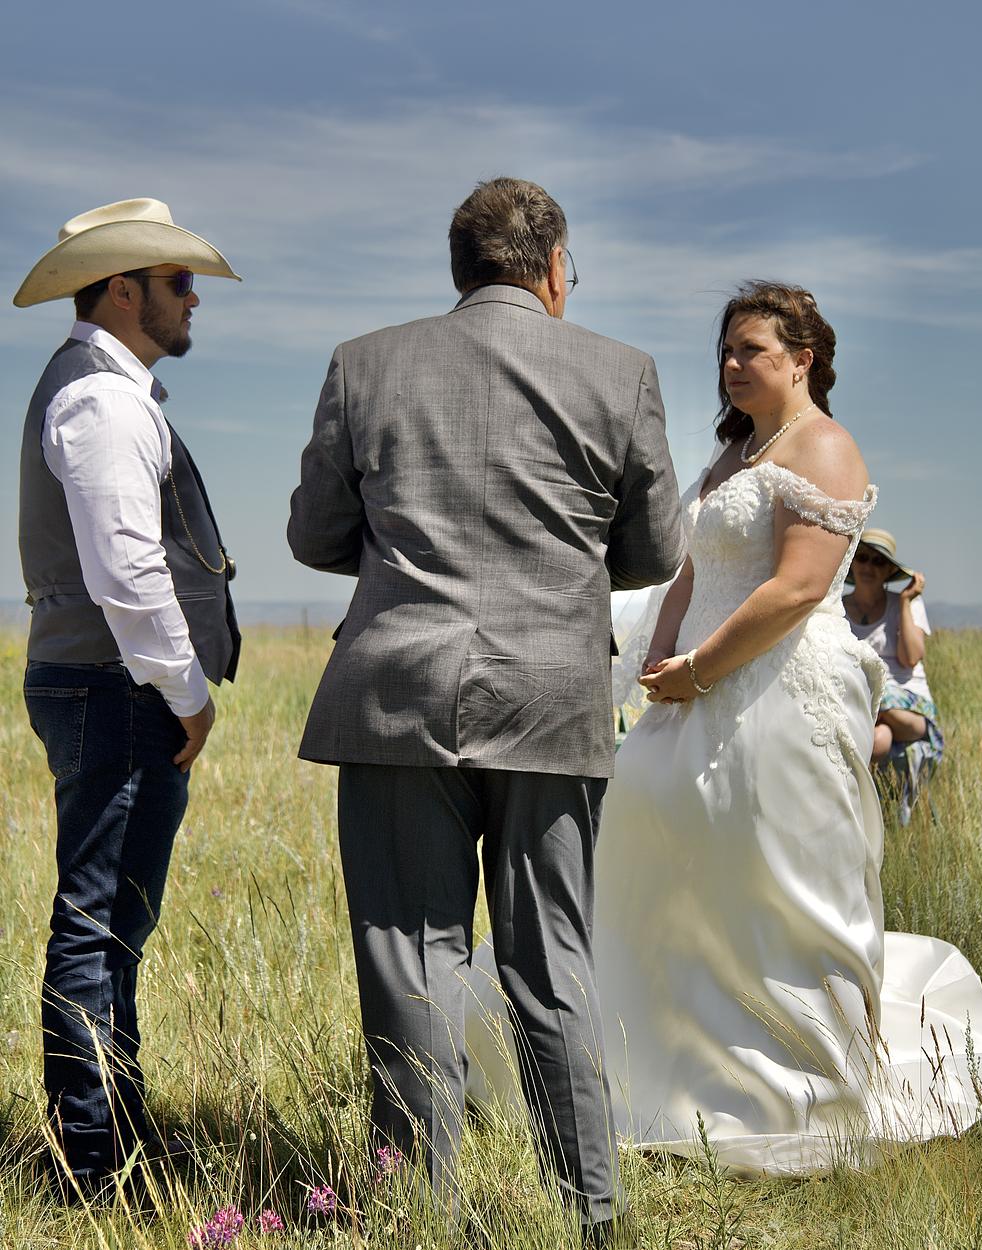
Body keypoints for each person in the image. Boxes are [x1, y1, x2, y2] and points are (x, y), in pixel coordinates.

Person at [467, 280, 982, 1174]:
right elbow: (687, 572)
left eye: (751, 349)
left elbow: (797, 587)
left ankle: (796, 1092)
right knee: (657, 862)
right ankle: (660, 1071)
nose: (731, 364)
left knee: (775, 879)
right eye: (725, 350)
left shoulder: (825, 446)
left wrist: (701, 668)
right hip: (691, 695)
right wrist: (660, 656)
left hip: (780, 693)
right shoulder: (735, 456)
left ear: (803, 359)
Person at [288, 176, 684, 1236]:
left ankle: (418, 1208)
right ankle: (589, 1212)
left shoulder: (364, 362)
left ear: (459, 269)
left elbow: (314, 534)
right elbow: (654, 551)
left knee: (411, 960)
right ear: (553, 267)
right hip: (552, 695)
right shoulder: (621, 370)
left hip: (396, 695)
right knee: (552, 962)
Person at [14, 199, 241, 1196]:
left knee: (111, 926)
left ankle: (117, 1135)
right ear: (121, 289)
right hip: (116, 686)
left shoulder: (98, 391)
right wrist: (189, 694)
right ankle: (93, 1168)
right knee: (97, 924)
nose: (193, 299)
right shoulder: (102, 401)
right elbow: (128, 573)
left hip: (102, 682)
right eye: (177, 282)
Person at [844, 529, 943, 822]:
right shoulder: (838, 607)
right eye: (863, 558)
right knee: (879, 741)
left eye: (878, 561)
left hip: (906, 704)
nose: (868, 567)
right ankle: (872, 817)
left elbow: (910, 657)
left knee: (876, 701)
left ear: (889, 570)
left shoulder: (907, 604)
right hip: (863, 701)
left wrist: (904, 602)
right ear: (852, 563)